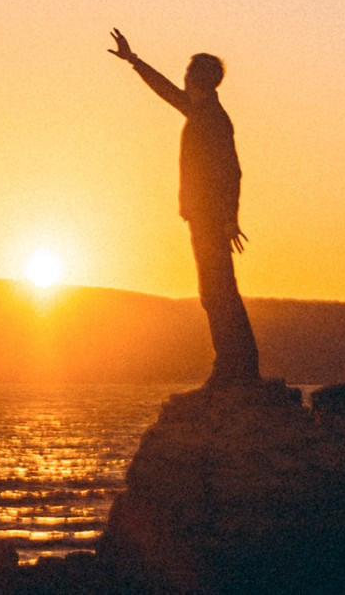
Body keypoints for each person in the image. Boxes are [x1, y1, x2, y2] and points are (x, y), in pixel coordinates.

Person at [108, 28, 260, 384]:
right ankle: (235, 366)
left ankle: (235, 368)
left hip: (210, 218)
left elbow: (232, 171)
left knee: (218, 291)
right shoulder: (199, 111)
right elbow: (165, 90)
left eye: (190, 73)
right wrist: (134, 60)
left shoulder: (213, 120)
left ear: (202, 80)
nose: (184, 77)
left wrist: (228, 219)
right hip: (200, 216)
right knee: (214, 291)